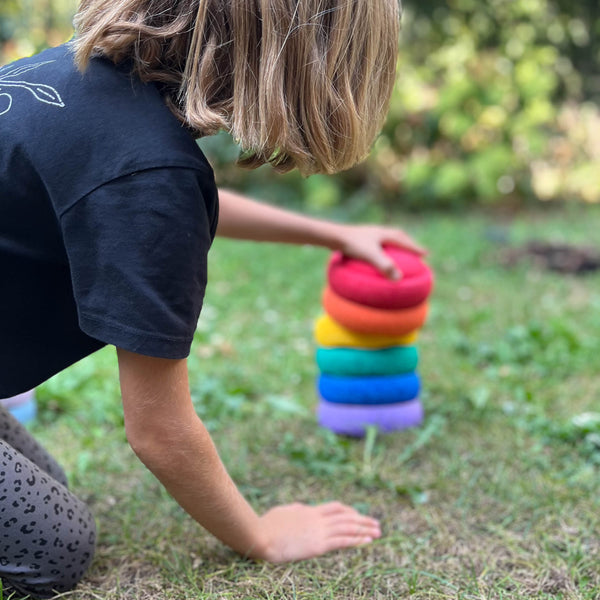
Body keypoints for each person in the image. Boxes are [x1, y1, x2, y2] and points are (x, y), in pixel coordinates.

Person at [0, 0, 424, 597]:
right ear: (315, 59)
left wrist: (331, 233)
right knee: (54, 547)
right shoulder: (148, 173)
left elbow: (158, 194)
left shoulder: (75, 77)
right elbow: (159, 431)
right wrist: (262, 537)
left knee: (47, 488)